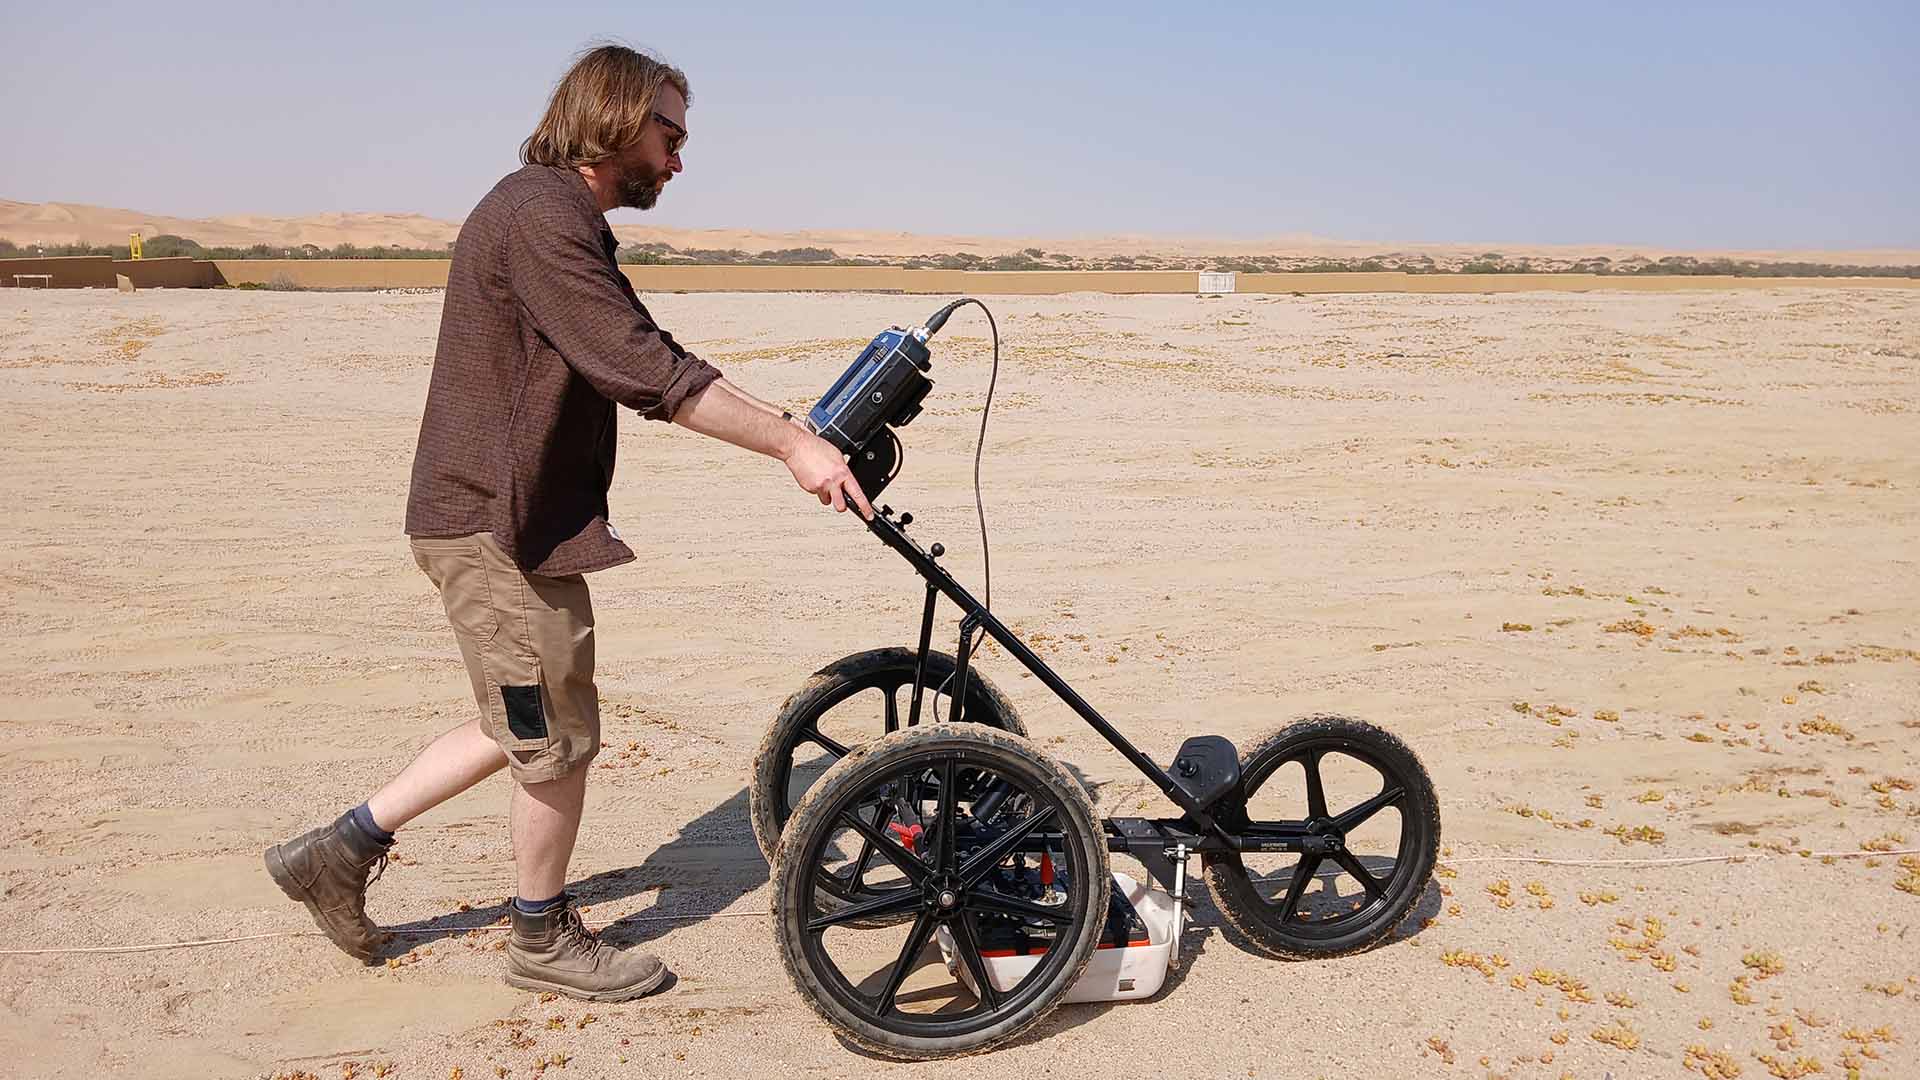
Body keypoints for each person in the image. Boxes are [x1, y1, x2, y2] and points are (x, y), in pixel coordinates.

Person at [264, 43, 871, 1003]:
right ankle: (541, 937)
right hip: (492, 526)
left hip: (509, 522)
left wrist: (793, 430)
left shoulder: (552, 214)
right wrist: (793, 446)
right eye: (668, 134)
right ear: (615, 117)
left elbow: (646, 352)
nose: (677, 159)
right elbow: (645, 368)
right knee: (555, 736)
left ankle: (334, 852)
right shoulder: (541, 217)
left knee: (523, 717)